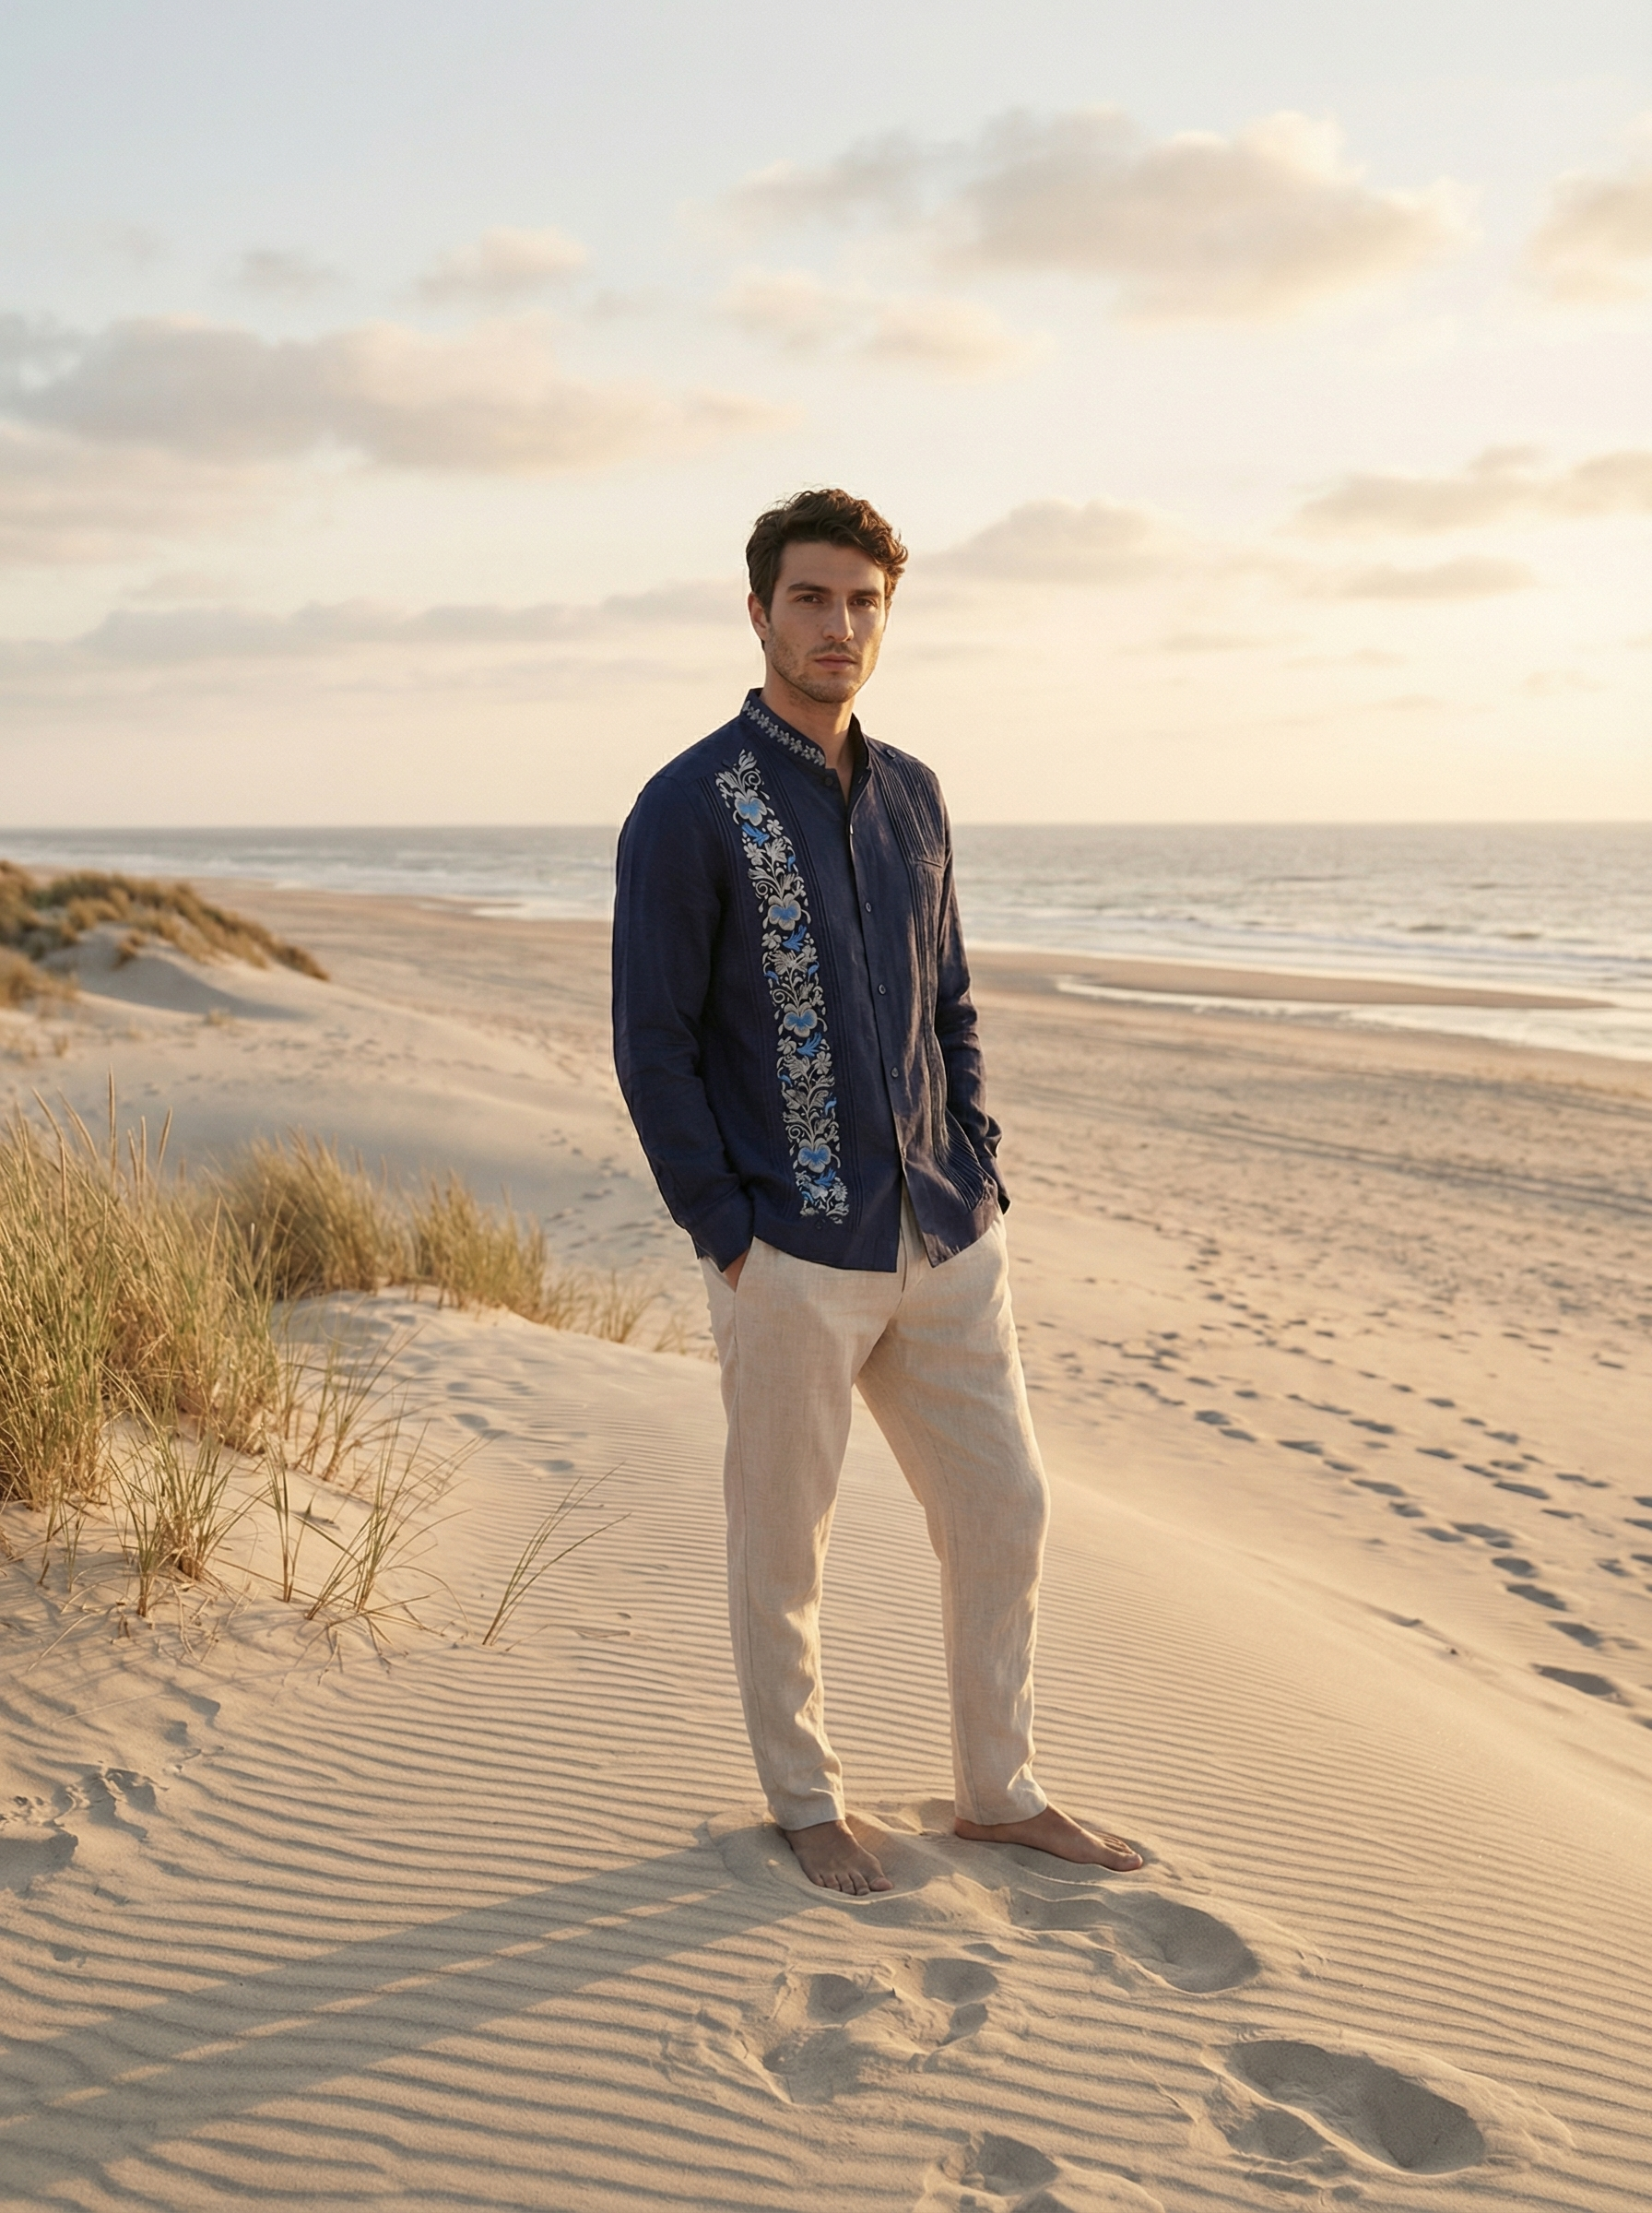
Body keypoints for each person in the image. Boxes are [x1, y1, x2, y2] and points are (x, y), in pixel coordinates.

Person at [612, 488, 1142, 1895]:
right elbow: (651, 1042)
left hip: (948, 1237)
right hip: (789, 1250)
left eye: (863, 602)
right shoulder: (689, 806)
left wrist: (977, 1157)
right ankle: (805, 1800)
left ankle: (999, 1791)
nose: (839, 626)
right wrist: (726, 1235)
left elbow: (950, 998)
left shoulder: (914, 793)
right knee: (785, 1541)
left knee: (1005, 1508)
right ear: (759, 613)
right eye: (811, 598)